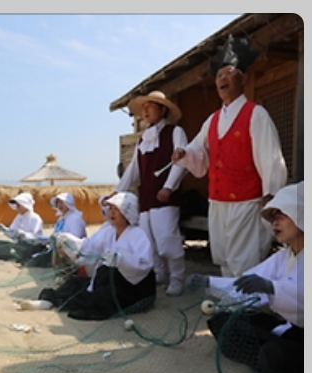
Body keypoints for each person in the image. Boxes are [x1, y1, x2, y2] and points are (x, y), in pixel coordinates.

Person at [171, 35, 288, 277]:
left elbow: (271, 158)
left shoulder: (256, 114)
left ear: (243, 78)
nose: (222, 78)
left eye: (229, 72)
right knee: (223, 256)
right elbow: (197, 149)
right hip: (217, 201)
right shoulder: (212, 119)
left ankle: (246, 308)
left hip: (246, 201)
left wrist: (271, 194)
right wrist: (185, 153)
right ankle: (230, 304)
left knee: (244, 259)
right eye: (219, 75)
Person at [195, 183, 302, 373]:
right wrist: (208, 282)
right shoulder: (283, 257)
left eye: (281, 214)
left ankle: (272, 362)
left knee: (272, 353)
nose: (274, 222)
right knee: (224, 322)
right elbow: (246, 283)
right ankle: (271, 362)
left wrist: (272, 288)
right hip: (290, 331)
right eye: (272, 217)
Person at [27, 192, 156, 321]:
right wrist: (68, 241)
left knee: (103, 296)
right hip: (108, 278)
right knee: (75, 283)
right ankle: (51, 300)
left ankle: (58, 302)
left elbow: (144, 264)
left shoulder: (138, 235)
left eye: (117, 209)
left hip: (130, 285)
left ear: (128, 212)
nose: (111, 213)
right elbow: (89, 247)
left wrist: (121, 260)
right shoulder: (108, 232)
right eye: (110, 208)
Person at [116, 91, 189, 295]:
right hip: (146, 196)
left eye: (150, 106)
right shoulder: (143, 139)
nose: (145, 111)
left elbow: (181, 161)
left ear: (163, 109)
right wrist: (117, 193)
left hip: (165, 197)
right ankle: (159, 273)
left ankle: (176, 277)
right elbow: (133, 170)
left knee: (167, 238)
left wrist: (168, 186)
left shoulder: (175, 132)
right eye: (144, 107)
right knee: (148, 238)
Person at [0, 192, 46, 263]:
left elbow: (36, 236)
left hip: (32, 246)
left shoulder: (35, 218)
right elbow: (12, 233)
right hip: (20, 244)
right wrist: (4, 230)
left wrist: (24, 234)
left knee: (4, 248)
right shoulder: (18, 217)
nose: (17, 206)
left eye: (19, 205)